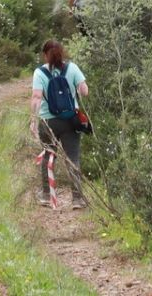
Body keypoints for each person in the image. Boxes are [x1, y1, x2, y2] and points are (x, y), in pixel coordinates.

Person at [31, 39, 89, 209]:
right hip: (71, 121)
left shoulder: (39, 73)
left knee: (48, 156)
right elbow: (84, 91)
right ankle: (77, 199)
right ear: (62, 52)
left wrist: (33, 121)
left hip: (48, 122)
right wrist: (77, 89)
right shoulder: (72, 68)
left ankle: (46, 196)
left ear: (44, 55)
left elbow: (36, 97)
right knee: (73, 158)